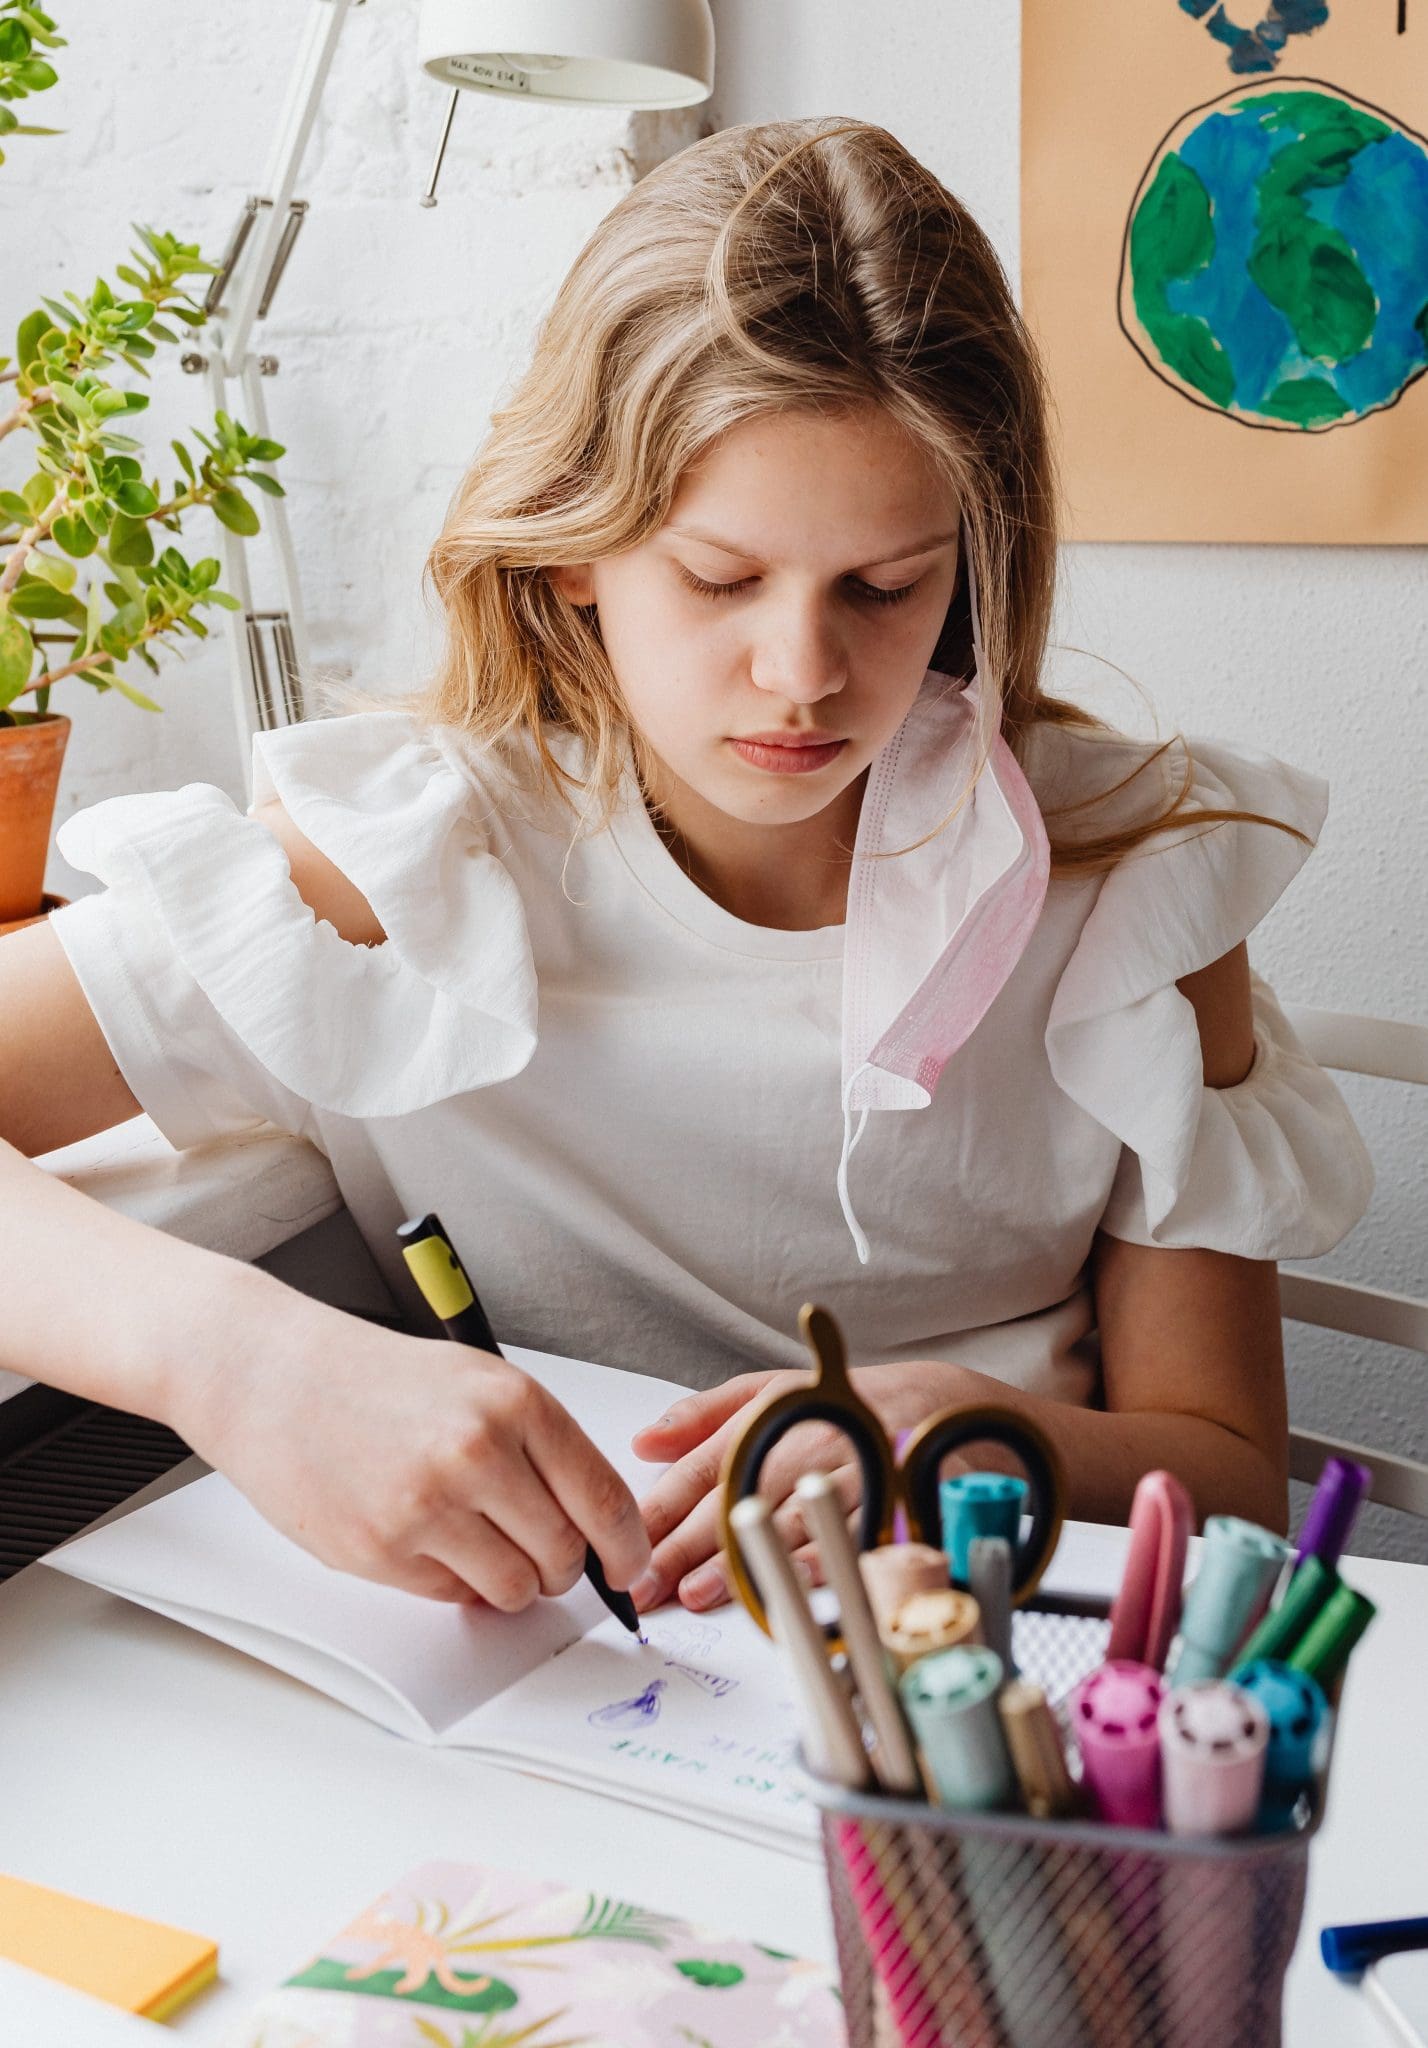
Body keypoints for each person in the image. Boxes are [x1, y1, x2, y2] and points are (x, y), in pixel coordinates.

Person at [0, 117, 1372, 1621]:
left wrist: (980, 1439)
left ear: (971, 565)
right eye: (721, 578)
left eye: (886, 586)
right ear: (574, 542)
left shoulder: (1131, 879)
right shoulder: (403, 868)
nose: (804, 674)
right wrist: (243, 1361)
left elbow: (1229, 1469)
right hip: (577, 1663)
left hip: (992, 1657)